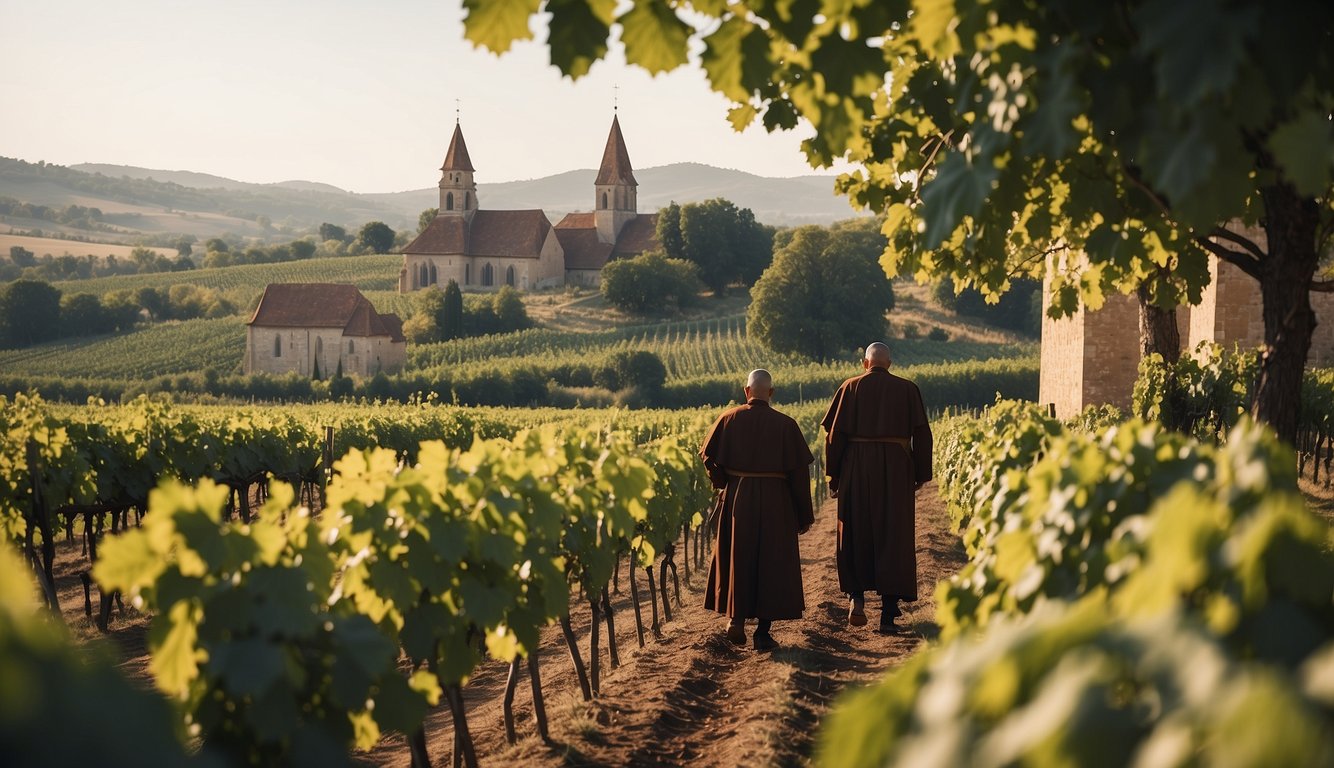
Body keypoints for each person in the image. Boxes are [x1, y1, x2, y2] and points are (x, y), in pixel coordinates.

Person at [821, 342, 933, 633]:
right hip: (896, 468)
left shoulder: (849, 387)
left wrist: (833, 476)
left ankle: (856, 597)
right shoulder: (908, 389)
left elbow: (833, 436)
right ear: (890, 363)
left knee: (857, 528)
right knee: (893, 532)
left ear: (864, 363)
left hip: (856, 467)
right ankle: (888, 611)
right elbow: (922, 434)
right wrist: (921, 473)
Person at [700, 368, 815, 651]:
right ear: (771, 393)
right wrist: (803, 515)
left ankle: (736, 619)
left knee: (739, 556)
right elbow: (799, 475)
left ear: (746, 391)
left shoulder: (728, 419)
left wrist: (724, 482)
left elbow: (708, 457)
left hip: (739, 496)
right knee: (771, 562)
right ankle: (763, 632)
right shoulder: (787, 425)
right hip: (777, 501)